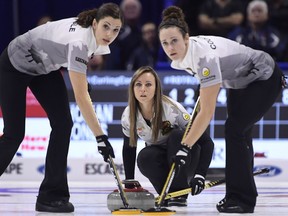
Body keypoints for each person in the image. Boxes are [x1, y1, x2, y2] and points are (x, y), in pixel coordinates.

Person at [158, 5, 285, 213]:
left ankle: (241, 199)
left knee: (234, 130)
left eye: (174, 41)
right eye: (164, 43)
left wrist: (185, 147)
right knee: (240, 133)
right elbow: (203, 102)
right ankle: (241, 194)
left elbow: (207, 112)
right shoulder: (182, 59)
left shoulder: (203, 57)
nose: (170, 47)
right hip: (238, 82)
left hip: (264, 75)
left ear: (187, 39)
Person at [0, 3, 124, 213]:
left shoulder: (96, 39)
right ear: (95, 23)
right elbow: (81, 97)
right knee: (14, 134)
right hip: (14, 65)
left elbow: (60, 48)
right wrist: (100, 137)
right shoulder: (79, 43)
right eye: (106, 26)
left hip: (44, 67)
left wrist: (81, 78)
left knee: (63, 124)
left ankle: (51, 196)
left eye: (116, 30)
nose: (110, 34)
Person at [121, 66, 214, 207]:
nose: (143, 89)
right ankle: (167, 193)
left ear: (156, 88)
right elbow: (129, 147)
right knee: (145, 156)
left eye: (148, 84)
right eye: (138, 84)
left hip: (187, 157)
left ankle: (180, 192)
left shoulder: (172, 109)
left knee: (177, 135)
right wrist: (129, 182)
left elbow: (207, 142)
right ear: (132, 88)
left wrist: (200, 175)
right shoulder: (128, 115)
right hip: (161, 159)